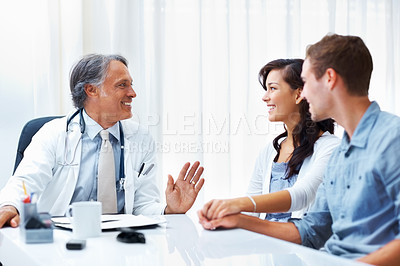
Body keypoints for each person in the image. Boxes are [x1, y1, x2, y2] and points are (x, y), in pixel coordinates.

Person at [198, 34, 400, 265]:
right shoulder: (341, 155)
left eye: (306, 82)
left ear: (329, 79)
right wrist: (239, 220)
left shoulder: (392, 139)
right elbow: (312, 231)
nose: (303, 94)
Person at [0, 54, 205, 228]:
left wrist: (170, 209)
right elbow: (25, 181)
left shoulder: (141, 138)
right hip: (63, 242)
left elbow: (143, 206)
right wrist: (10, 205)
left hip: (121, 241)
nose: (132, 93)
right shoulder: (54, 133)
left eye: (130, 85)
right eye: (122, 85)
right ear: (91, 90)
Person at [200, 59, 339, 223]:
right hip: (266, 244)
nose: (265, 97)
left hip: (302, 246)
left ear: (299, 94)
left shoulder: (331, 147)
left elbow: (303, 195)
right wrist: (222, 216)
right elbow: (252, 211)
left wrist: (235, 204)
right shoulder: (270, 152)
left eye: (272, 88)